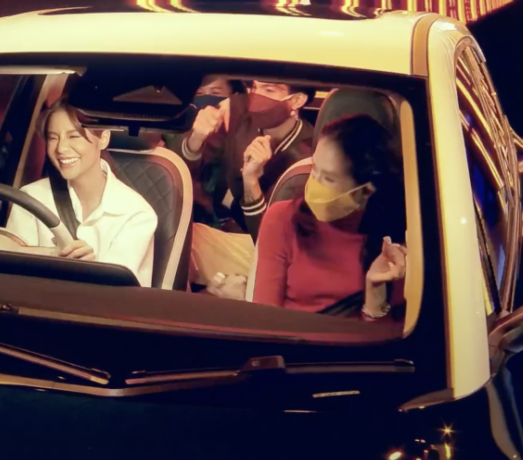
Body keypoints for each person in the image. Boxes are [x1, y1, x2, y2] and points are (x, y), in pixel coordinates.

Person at [0, 98, 158, 287]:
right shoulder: (31, 196)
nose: (61, 148)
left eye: (73, 136)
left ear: (103, 138)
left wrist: (91, 265)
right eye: (53, 138)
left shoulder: (136, 214)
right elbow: (14, 260)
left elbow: (117, 296)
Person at [252, 114, 407, 320]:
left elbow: (387, 334)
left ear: (365, 191)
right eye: (314, 169)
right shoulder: (282, 218)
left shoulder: (393, 241)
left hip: (356, 341)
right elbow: (264, 319)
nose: (314, 183)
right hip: (287, 339)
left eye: (328, 179)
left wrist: (375, 294)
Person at [171, 79, 315, 286]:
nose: (256, 96)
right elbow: (182, 174)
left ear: (297, 100)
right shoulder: (237, 113)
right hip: (221, 227)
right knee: (178, 237)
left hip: (265, 250)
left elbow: (272, 242)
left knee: (188, 243)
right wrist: (197, 138)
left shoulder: (306, 157)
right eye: (254, 87)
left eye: (269, 89)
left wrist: (251, 181)